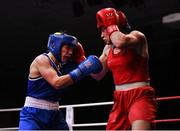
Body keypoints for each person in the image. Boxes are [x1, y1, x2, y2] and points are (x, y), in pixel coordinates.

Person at [19, 32, 102, 130]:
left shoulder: (63, 65)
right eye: (67, 48)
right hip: (34, 114)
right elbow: (57, 83)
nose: (70, 52)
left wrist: (82, 59)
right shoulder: (42, 60)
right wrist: (83, 69)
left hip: (55, 114)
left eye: (72, 49)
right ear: (57, 46)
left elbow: (96, 75)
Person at [93, 8, 157, 130]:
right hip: (119, 99)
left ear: (115, 26)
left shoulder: (138, 37)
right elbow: (98, 75)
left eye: (103, 29)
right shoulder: (107, 49)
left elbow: (120, 41)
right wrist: (80, 62)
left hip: (140, 96)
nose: (101, 35)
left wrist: (110, 24)